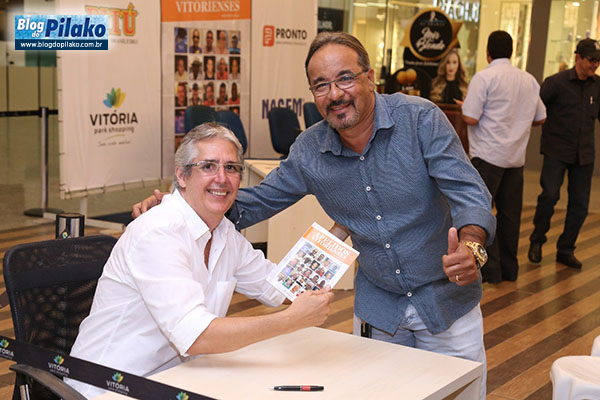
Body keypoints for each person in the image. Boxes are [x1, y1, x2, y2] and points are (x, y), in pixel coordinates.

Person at [133, 32, 495, 399]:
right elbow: (255, 202)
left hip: (446, 302)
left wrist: (472, 246)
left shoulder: (420, 120)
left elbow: (469, 192)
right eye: (321, 85)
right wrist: (178, 205)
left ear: (370, 78)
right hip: (381, 309)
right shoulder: (310, 151)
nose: (334, 94)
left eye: (345, 78)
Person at [69, 124, 334, 398]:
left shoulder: (224, 233)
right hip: (108, 388)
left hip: (176, 380)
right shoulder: (158, 231)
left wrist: (345, 225)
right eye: (208, 166)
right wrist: (289, 321)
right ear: (182, 176)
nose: (222, 178)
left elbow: (283, 286)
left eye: (231, 168)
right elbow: (195, 336)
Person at [460, 31, 546, 283]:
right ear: (512, 51)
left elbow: (471, 117)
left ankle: (492, 271)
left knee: (483, 215)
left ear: (488, 52)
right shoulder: (529, 80)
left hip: (487, 156)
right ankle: (510, 270)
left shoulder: (484, 77)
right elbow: (541, 117)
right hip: (515, 159)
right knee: (510, 216)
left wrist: (465, 107)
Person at [528, 38, 600, 269]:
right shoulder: (555, 83)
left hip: (584, 155)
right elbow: (534, 110)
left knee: (580, 206)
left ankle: (565, 249)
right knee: (549, 197)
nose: (595, 65)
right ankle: (537, 240)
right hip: (556, 151)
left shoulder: (597, 86)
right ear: (578, 58)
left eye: (598, 61)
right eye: (591, 60)